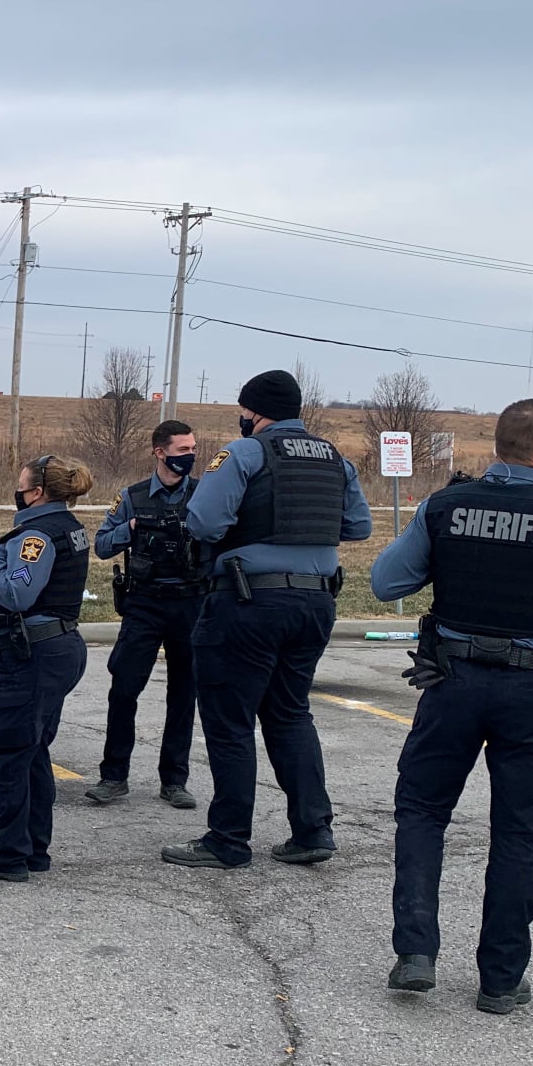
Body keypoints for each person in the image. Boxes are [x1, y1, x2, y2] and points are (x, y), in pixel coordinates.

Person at [370, 398, 533, 1014]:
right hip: (530, 692)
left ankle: (415, 953)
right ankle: (501, 979)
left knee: (422, 812)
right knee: (517, 834)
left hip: (450, 682)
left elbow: (388, 583)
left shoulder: (443, 506)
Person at [165, 370, 372, 870]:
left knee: (230, 720)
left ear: (254, 412)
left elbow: (204, 521)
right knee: (290, 713)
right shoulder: (334, 458)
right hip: (315, 604)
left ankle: (229, 839)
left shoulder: (242, 454)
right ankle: (312, 830)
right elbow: (359, 526)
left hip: (248, 602)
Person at [0, 454, 96, 883]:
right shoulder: (69, 527)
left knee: (11, 756)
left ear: (37, 491)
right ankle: (34, 846)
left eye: (21, 483)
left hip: (26, 656)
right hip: (57, 647)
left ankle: (8, 854)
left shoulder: (35, 535)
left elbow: (16, 595)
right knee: (33, 751)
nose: (16, 489)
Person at [85, 419, 207, 811]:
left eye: (192, 449)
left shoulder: (205, 495)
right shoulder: (133, 497)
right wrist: (134, 527)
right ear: (160, 452)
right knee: (124, 688)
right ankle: (113, 776)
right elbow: (102, 545)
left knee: (184, 694)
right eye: (182, 450)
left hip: (190, 604)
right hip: (144, 604)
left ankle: (174, 780)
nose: (190, 455)